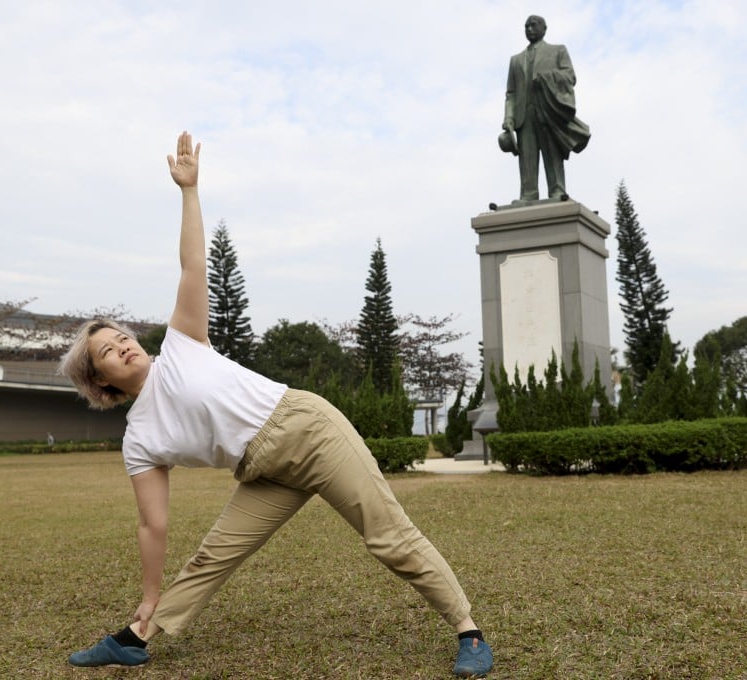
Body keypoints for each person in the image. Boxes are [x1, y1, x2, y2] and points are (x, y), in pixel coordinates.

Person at [59, 132, 493, 678]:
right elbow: (153, 524)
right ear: (102, 382)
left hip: (307, 430)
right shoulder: (139, 439)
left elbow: (194, 266)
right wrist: (149, 591)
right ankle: (138, 633)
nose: (122, 344)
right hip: (261, 469)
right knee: (213, 556)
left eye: (119, 336)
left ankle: (468, 631)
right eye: (107, 351)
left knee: (387, 536)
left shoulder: (181, 344)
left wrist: (189, 191)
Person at [503, 15, 590, 203]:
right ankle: (528, 194)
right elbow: (511, 93)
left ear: (544, 28)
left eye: (533, 25)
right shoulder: (515, 60)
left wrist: (544, 77)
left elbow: (570, 76)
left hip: (548, 111)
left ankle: (557, 191)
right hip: (523, 116)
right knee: (527, 158)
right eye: (526, 26)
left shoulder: (557, 51)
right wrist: (508, 118)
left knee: (553, 154)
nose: (529, 29)